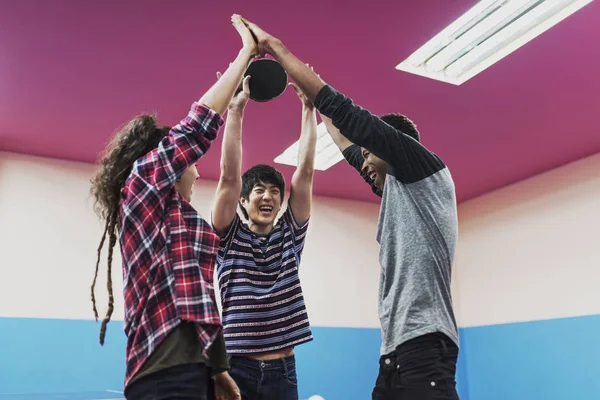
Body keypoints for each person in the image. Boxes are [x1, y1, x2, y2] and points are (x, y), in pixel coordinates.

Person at [238, 16, 461, 400]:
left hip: (427, 344)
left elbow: (350, 118)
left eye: (371, 156)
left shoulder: (426, 173)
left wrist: (275, 48)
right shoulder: (397, 190)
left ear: (392, 149)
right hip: (395, 352)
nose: (364, 166)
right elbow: (350, 145)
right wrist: (312, 105)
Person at [88, 14, 257, 400]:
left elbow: (199, 296)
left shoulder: (187, 223)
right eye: (192, 165)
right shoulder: (143, 189)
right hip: (160, 373)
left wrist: (218, 370)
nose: (197, 175)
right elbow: (195, 129)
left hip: (194, 372)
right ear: (173, 165)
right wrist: (245, 54)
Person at [211, 61, 318, 399]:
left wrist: (308, 108)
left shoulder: (290, 234)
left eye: (274, 190)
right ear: (243, 201)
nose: (268, 195)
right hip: (236, 367)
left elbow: (304, 173)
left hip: (282, 372)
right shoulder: (229, 237)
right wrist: (236, 110)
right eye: (259, 190)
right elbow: (229, 176)